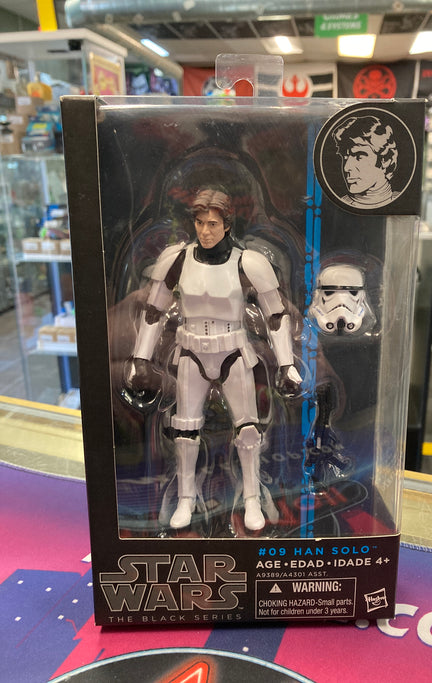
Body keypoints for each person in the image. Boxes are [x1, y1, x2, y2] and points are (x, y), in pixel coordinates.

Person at [125, 187, 301, 531]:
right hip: (190, 352)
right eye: (200, 223)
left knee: (248, 430)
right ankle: (186, 498)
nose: (205, 231)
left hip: (233, 352)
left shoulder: (248, 262)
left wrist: (286, 365)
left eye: (213, 224)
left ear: (227, 224)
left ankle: (252, 498)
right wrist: (140, 358)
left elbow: (276, 315)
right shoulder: (177, 259)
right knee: (184, 430)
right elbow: (153, 310)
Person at [332, 115, 399, 208]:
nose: (346, 168)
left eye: (359, 157)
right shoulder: (336, 205)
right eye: (345, 157)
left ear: (385, 160)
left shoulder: (404, 202)